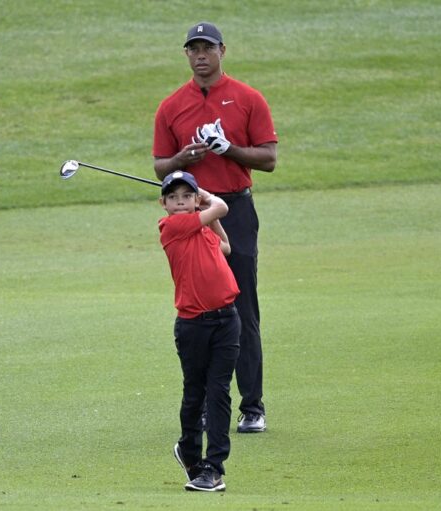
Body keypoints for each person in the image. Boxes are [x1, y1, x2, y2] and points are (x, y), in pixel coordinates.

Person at [153, 21, 278, 433]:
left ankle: (253, 406)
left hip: (235, 210)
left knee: (242, 307)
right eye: (193, 49)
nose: (200, 55)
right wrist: (181, 160)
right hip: (190, 218)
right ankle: (207, 404)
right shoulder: (171, 107)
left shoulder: (247, 98)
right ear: (186, 54)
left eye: (208, 47)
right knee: (200, 308)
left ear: (223, 50)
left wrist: (230, 150)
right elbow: (159, 167)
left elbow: (268, 158)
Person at [158, 170, 241, 492]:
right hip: (193, 324)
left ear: (194, 201)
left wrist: (203, 206)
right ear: (163, 203)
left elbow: (226, 248)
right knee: (195, 394)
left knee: (218, 392)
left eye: (186, 196)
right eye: (173, 197)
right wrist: (205, 197)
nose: (180, 203)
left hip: (226, 320)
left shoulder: (200, 230)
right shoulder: (171, 227)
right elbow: (222, 207)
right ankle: (191, 453)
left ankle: (213, 467)